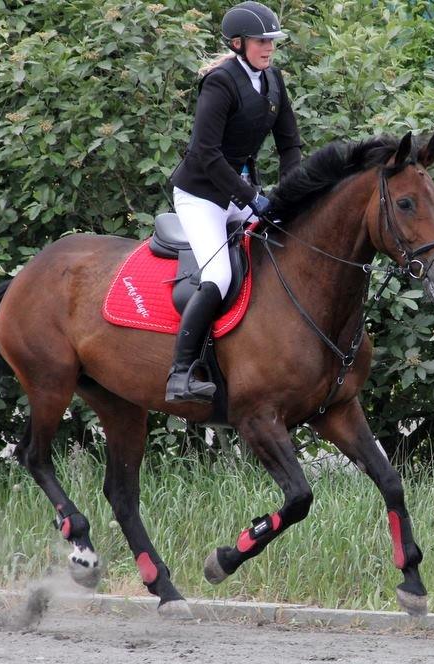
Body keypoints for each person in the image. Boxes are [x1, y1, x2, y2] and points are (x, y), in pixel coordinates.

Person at [166, 1, 303, 403]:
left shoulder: (272, 80)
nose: (269, 48)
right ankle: (181, 373)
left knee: (282, 250)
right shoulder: (221, 82)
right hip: (202, 195)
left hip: (241, 192)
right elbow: (206, 153)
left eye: (272, 42)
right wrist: (252, 198)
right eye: (262, 42)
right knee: (219, 277)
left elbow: (289, 144)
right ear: (238, 43)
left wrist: (291, 196)